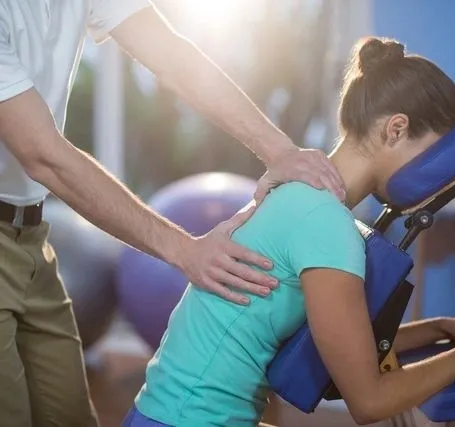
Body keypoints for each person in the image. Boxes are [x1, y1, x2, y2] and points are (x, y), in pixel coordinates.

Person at [124, 37, 455, 427]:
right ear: (396, 129)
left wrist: (443, 329)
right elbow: (368, 400)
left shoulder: (298, 197)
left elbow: (339, 349)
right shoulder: (327, 227)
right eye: (434, 152)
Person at [0, 2, 346, 426]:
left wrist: (282, 152)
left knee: (69, 414)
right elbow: (44, 155)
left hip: (31, 236)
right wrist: (185, 251)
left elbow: (173, 56)